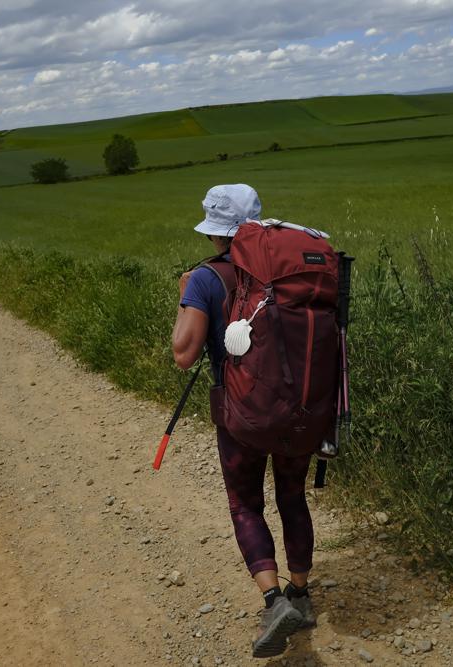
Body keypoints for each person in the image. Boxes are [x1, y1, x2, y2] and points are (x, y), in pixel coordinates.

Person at [171, 184, 317, 658]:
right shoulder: (288, 271)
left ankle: (274, 601)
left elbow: (183, 355)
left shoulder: (205, 278)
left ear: (215, 234)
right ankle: (301, 593)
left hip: (241, 416)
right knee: (291, 495)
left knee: (245, 504)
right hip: (299, 408)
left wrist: (185, 299)